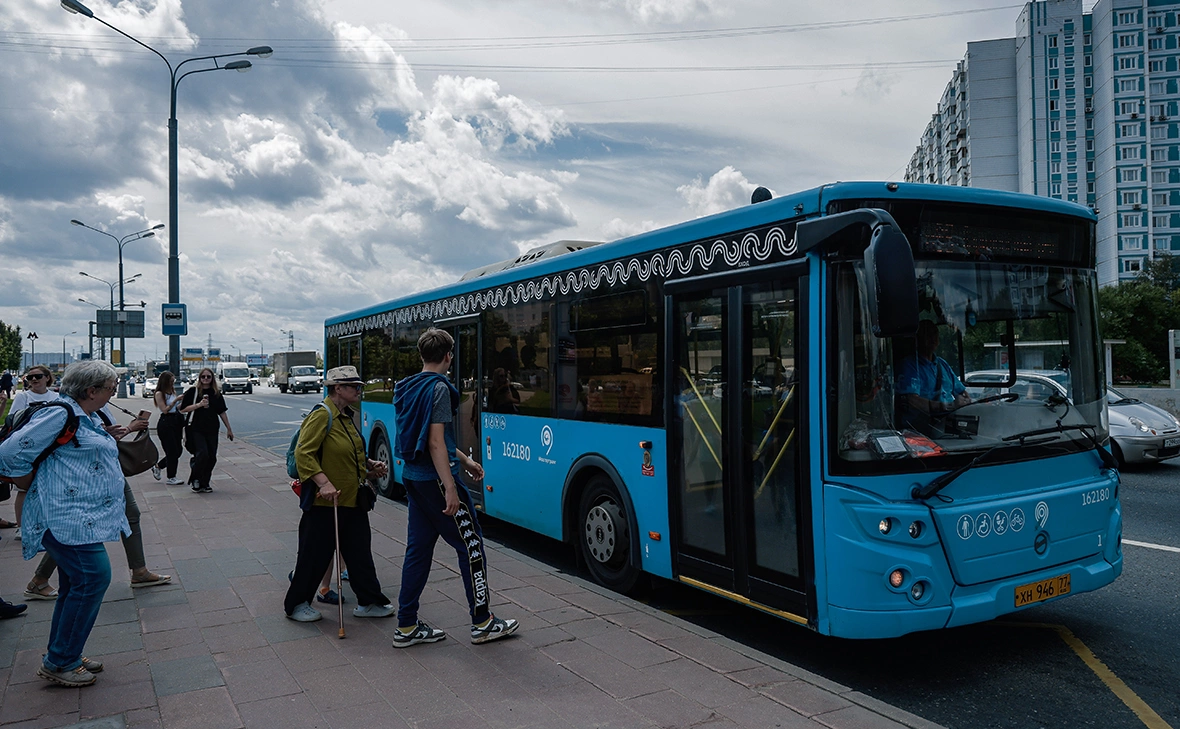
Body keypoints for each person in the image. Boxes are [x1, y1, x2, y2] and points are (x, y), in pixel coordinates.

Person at [0, 360, 129, 687]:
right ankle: (60, 661)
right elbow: (10, 452)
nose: (114, 392)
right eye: (111, 387)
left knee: (76, 584)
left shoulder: (88, 415)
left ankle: (66, 651)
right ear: (92, 390)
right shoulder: (60, 413)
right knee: (94, 577)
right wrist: (29, 481)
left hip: (80, 517)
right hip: (63, 515)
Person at [392, 328, 518, 647]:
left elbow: (435, 439)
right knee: (471, 545)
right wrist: (450, 485)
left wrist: (466, 461)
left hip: (413, 477)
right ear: (449, 356)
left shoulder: (408, 386)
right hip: (436, 480)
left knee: (418, 550)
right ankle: (483, 621)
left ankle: (406, 624)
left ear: (422, 355)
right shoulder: (440, 389)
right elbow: (435, 441)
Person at [284, 366, 394, 622]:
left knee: (359, 554)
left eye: (359, 385)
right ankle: (297, 604)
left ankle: (370, 601)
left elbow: (348, 454)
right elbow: (303, 454)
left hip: (351, 500)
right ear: (337, 388)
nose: (359, 389)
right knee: (313, 557)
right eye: (353, 385)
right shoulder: (322, 415)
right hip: (326, 504)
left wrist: (369, 467)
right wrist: (323, 483)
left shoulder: (346, 415)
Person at [8, 365, 60, 535]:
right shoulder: (23, 396)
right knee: (24, 488)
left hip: (51, 448)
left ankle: (48, 525)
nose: (34, 380)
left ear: (47, 378)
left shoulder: (56, 397)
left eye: (38, 376)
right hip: (28, 449)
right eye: (30, 378)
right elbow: (13, 420)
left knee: (51, 486)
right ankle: (22, 527)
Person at [896, 320, 972, 430]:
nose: (933, 339)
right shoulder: (909, 365)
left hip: (947, 426)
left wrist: (966, 402)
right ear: (917, 339)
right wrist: (947, 406)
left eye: (935, 334)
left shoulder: (942, 364)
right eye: (928, 335)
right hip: (920, 431)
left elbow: (962, 392)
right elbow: (912, 401)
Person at [179, 368, 234, 493]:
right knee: (202, 454)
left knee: (212, 457)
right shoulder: (193, 392)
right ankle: (196, 479)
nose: (205, 379)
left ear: (212, 379)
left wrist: (229, 429)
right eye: (203, 377)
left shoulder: (216, 393)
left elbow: (222, 412)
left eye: (208, 377)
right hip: (196, 428)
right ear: (199, 378)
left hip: (212, 428)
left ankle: (205, 482)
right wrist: (199, 405)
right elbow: (183, 409)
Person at [152, 372, 185, 485]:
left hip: (175, 421)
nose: (172, 383)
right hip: (166, 422)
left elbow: (175, 408)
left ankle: (158, 466)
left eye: (173, 381)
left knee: (178, 450)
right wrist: (176, 401)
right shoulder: (159, 393)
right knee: (171, 451)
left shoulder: (171, 392)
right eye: (171, 381)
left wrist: (182, 403)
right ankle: (172, 477)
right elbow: (165, 409)